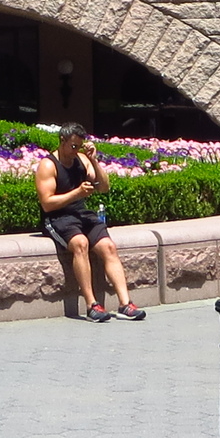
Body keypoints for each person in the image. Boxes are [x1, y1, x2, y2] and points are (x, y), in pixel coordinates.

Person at [35, 125, 144, 322]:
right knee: (80, 244)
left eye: (79, 146)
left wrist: (94, 160)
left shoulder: (82, 160)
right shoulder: (48, 165)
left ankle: (125, 304)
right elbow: (47, 204)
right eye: (73, 146)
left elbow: (104, 187)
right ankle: (92, 305)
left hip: (81, 214)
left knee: (108, 246)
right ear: (62, 141)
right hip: (58, 217)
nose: (76, 151)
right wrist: (76, 193)